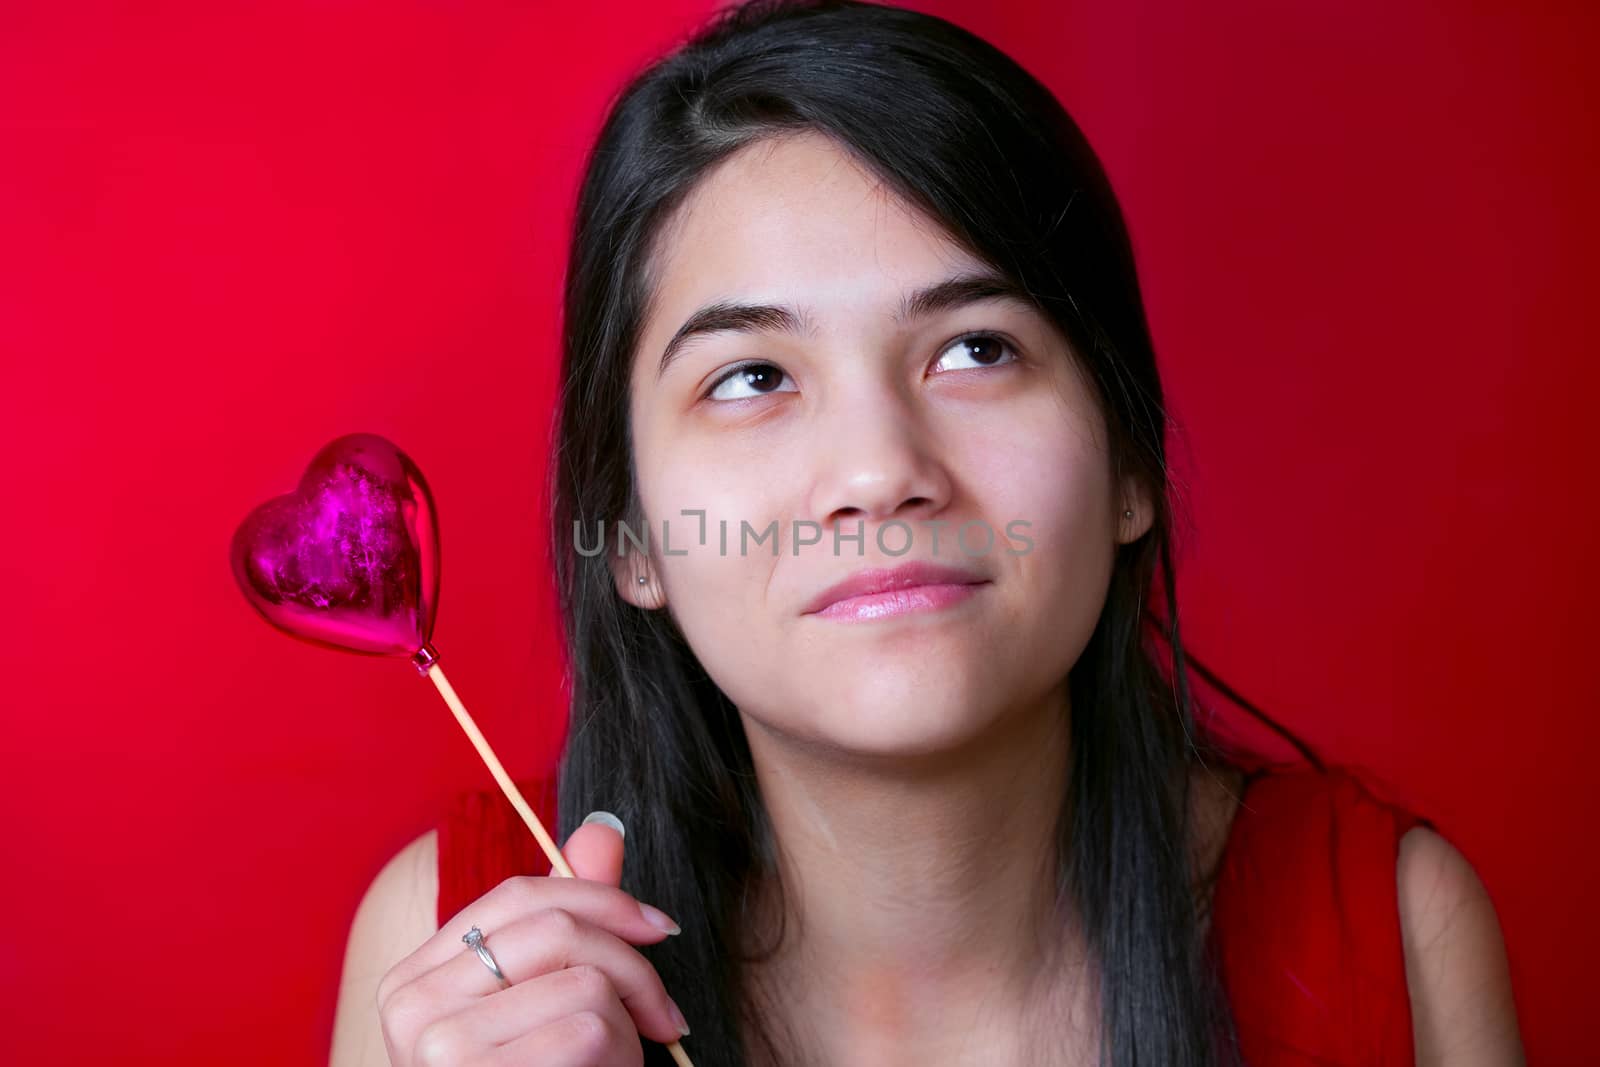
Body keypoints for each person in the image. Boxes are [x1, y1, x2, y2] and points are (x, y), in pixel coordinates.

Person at [329, 2, 1523, 1064]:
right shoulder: (453, 959)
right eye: (750, 376)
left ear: (1125, 465)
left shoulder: (1389, 939)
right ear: (629, 535)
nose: (878, 472)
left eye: (975, 349)